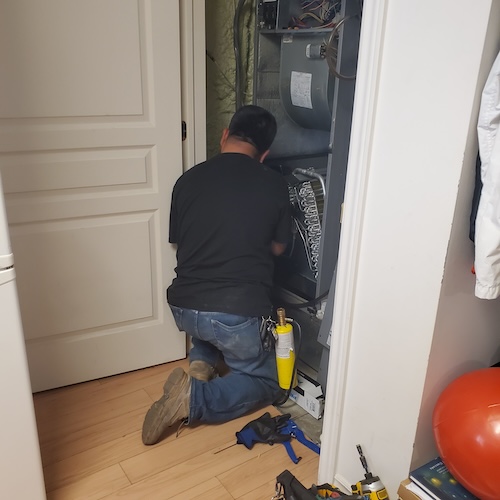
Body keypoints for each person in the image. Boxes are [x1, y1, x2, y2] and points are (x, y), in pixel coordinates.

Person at [142, 105, 291, 445]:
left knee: (210, 325)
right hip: (235, 313)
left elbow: (180, 241)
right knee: (270, 382)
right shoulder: (274, 183)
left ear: (225, 135)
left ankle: (200, 364)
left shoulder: (187, 180)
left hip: (184, 307)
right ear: (264, 154)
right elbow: (279, 248)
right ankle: (194, 398)